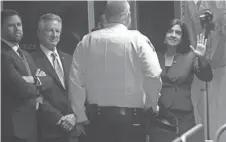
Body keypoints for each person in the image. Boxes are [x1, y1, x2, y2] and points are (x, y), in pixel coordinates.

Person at [69, 1, 162, 142]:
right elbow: (153, 75)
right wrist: (151, 106)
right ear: (128, 16)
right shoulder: (139, 40)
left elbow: (75, 82)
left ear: (105, 16)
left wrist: (80, 117)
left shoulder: (86, 42)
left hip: (96, 122)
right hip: (132, 122)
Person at [150, 19, 213, 142]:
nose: (173, 35)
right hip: (160, 115)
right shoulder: (154, 56)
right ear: (164, 34)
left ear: (182, 37)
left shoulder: (190, 56)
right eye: (170, 31)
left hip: (184, 117)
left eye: (178, 33)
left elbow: (207, 77)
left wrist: (201, 58)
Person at [1, 9, 52, 142]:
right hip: (12, 128)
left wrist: (32, 80)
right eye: (11, 25)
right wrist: (38, 84)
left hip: (31, 125)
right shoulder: (2, 54)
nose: (17, 28)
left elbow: (49, 81)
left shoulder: (26, 55)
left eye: (19, 24)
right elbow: (21, 89)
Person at [31, 13, 78, 142]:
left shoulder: (70, 59)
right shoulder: (30, 60)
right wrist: (59, 119)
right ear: (39, 33)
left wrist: (75, 115)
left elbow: (80, 89)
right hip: (47, 131)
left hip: (73, 130)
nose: (54, 35)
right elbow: (34, 96)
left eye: (57, 31)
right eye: (49, 30)